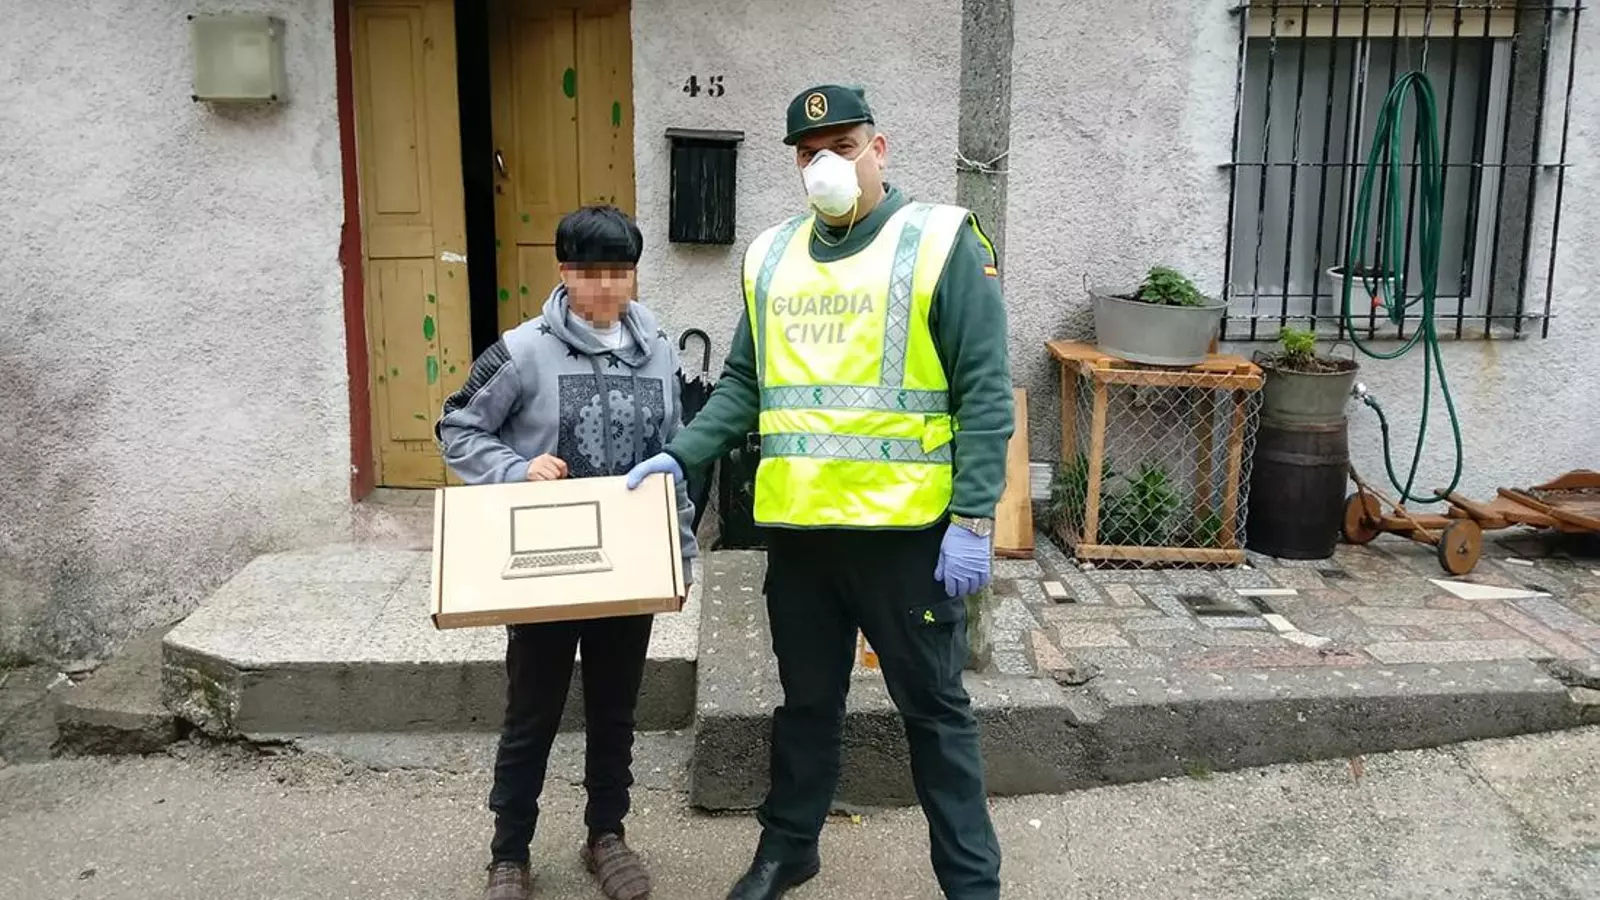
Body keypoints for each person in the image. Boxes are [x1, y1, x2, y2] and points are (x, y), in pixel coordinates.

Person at [625, 84, 1013, 900]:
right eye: (808, 154)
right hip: (802, 537)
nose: (824, 165)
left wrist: (975, 515)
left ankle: (972, 884)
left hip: (907, 538)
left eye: (842, 146)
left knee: (935, 713)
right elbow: (745, 382)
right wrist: (683, 454)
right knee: (805, 705)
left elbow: (984, 391)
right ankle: (788, 849)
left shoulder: (939, 242)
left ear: (880, 148)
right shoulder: (771, 256)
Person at [436, 204, 698, 900]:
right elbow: (456, 425)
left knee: (615, 710)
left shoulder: (661, 350)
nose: (606, 287)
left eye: (620, 272)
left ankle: (606, 835)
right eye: (590, 272)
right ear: (563, 272)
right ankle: (509, 853)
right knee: (533, 714)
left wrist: (680, 551)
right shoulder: (521, 351)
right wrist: (515, 468)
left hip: (630, 565)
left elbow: (675, 455)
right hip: (545, 567)